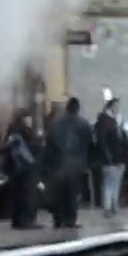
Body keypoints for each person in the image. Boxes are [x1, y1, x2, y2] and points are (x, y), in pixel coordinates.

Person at [44, 96, 93, 229]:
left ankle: (58, 219)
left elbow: (49, 145)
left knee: (59, 193)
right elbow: (91, 144)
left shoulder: (56, 124)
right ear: (78, 109)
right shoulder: (84, 124)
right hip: (77, 165)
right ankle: (70, 219)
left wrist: (49, 164)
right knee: (73, 193)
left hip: (58, 165)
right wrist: (88, 162)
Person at [4, 111, 43, 229]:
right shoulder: (24, 132)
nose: (30, 121)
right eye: (29, 119)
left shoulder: (12, 132)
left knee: (18, 195)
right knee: (29, 195)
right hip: (26, 168)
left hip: (15, 170)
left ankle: (17, 220)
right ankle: (27, 220)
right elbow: (30, 149)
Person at [93, 98, 128, 217]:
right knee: (109, 183)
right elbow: (102, 141)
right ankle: (108, 207)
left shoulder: (117, 121)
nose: (117, 108)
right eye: (115, 106)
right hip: (110, 159)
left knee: (116, 183)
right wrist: (107, 155)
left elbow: (123, 138)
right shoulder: (105, 122)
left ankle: (114, 205)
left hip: (119, 157)